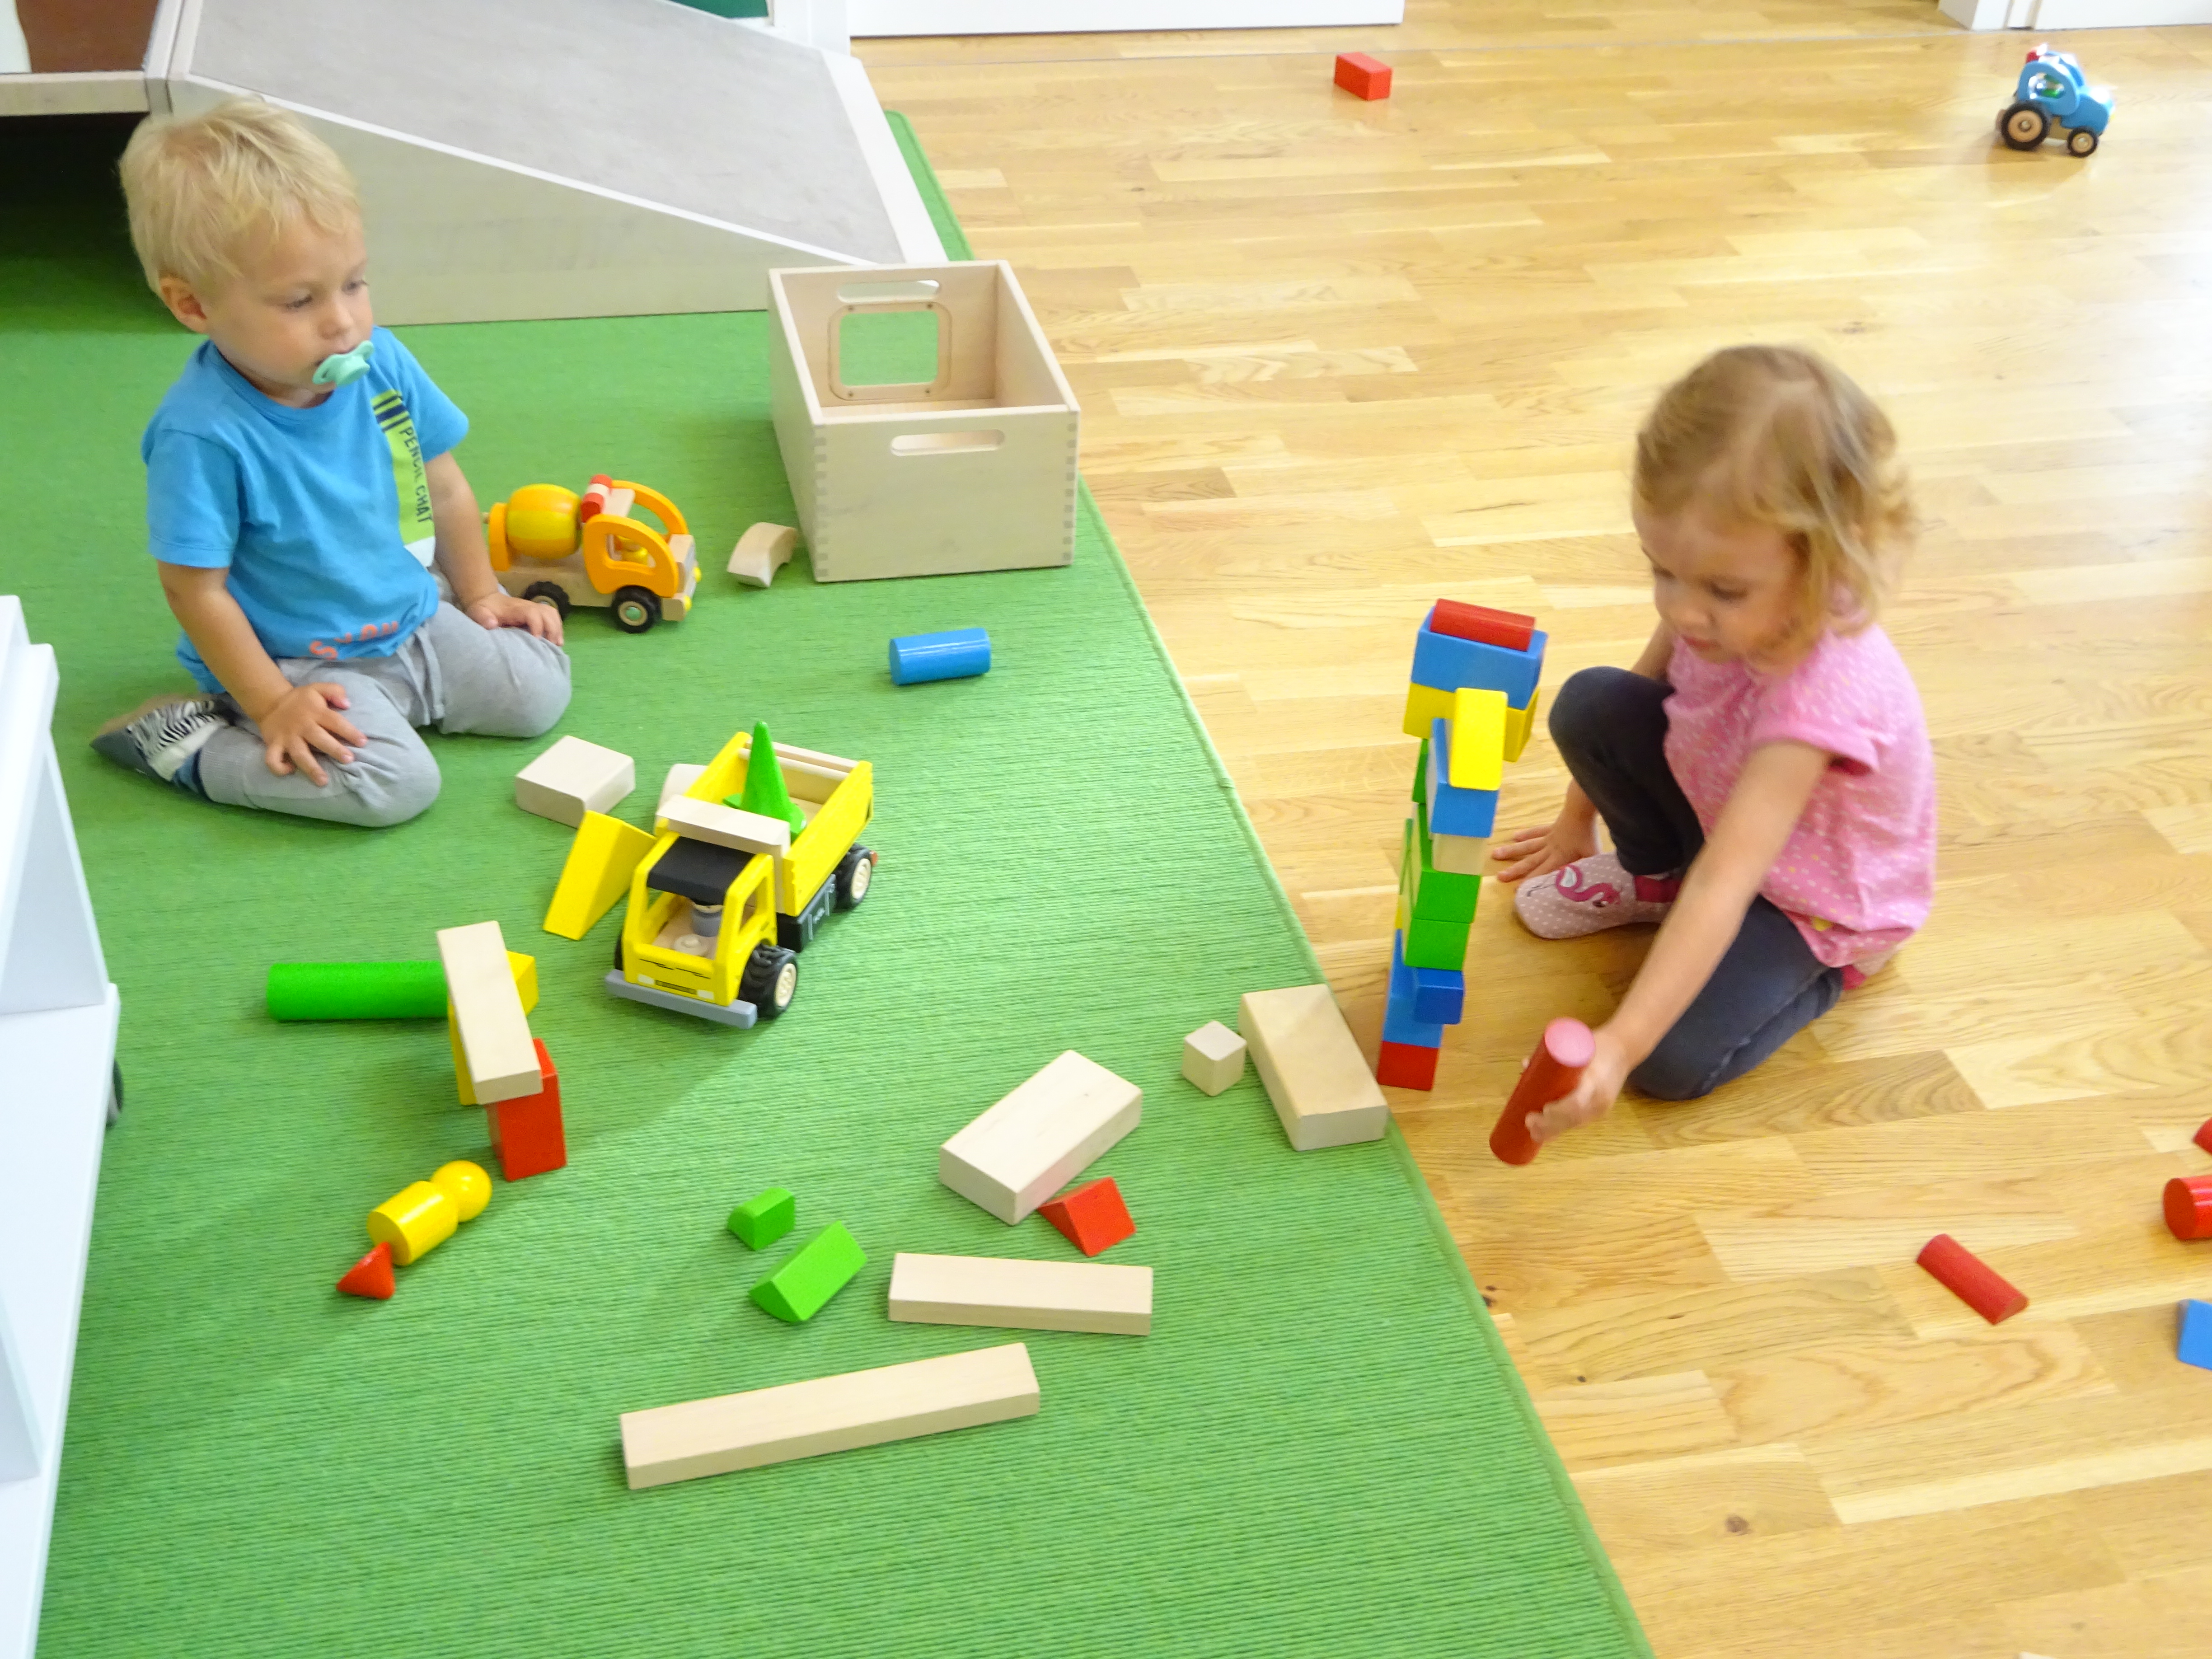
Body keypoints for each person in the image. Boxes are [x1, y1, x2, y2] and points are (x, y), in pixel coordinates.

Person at [1491, 345, 1935, 1144]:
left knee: (1668, 1064)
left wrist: (1619, 1047)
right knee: (1593, 704)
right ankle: (1654, 877)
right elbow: (1640, 692)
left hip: (1809, 907)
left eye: (1721, 590)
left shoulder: (1821, 697)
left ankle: (1833, 974)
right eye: (1662, 571)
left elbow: (1727, 883)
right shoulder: (1718, 597)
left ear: (1824, 561)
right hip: (1723, 815)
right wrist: (1574, 823)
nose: (1683, 610)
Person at [93, 98, 568, 827]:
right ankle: (187, 745)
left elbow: (442, 485)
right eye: (299, 301)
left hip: (411, 613)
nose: (343, 321)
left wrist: (480, 595)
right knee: (395, 787)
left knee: (539, 690)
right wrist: (273, 705)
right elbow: (196, 591)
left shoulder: (382, 363)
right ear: (194, 306)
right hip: (298, 661)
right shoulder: (203, 436)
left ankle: (412, 673)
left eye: (354, 283)